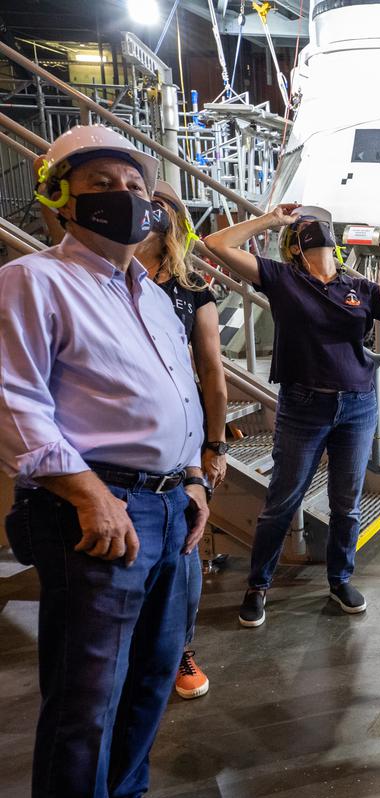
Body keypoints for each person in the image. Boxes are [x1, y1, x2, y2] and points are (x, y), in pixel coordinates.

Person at [0, 125, 210, 798]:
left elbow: (178, 392)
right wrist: (89, 492)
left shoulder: (152, 294)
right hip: (98, 509)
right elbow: (14, 399)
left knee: (153, 674)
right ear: (60, 197)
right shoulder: (35, 280)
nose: (123, 199)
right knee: (85, 699)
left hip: (168, 504)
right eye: (101, 187)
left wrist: (191, 476)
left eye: (134, 189)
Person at [203, 206, 380, 627]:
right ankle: (258, 585)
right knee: (282, 500)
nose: (314, 228)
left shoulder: (357, 286)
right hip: (303, 406)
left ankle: (340, 579)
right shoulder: (282, 278)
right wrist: (271, 220)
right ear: (294, 244)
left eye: (317, 225)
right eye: (304, 227)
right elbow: (215, 244)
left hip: (357, 404)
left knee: (347, 502)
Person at [135, 179, 227, 700]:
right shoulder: (101, 280)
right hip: (119, 447)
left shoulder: (191, 289)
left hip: (181, 446)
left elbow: (211, 374)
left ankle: (179, 647)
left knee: (186, 551)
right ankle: (140, 648)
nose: (148, 212)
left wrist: (213, 446)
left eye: (159, 205)